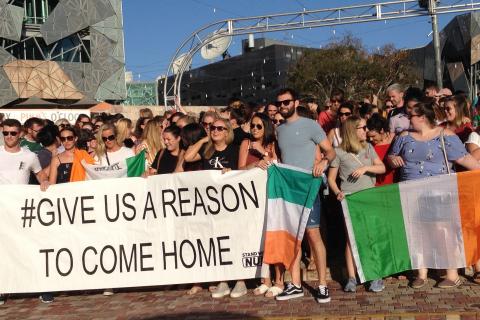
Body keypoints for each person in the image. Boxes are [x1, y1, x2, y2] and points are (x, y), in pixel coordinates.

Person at [388, 101, 480, 289]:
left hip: (441, 191)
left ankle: (451, 274)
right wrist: (392, 159)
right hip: (410, 191)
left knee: (444, 231)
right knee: (416, 231)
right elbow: (391, 157)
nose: (406, 119)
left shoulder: (445, 136)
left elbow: (466, 160)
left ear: (422, 117)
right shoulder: (403, 137)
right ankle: (421, 273)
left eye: (410, 115)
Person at [274, 88, 336, 304]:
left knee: (313, 235)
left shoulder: (311, 125)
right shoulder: (279, 130)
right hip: (289, 191)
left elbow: (331, 152)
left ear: (296, 102)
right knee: (293, 238)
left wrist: (322, 162)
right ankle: (296, 285)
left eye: (286, 102)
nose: (282, 106)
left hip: (309, 188)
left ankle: (322, 285)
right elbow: (280, 158)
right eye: (279, 103)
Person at [327, 116, 386, 293]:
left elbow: (381, 167)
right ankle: (352, 278)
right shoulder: (338, 152)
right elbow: (331, 179)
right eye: (362, 127)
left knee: (371, 237)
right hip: (350, 198)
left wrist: (365, 168)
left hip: (369, 196)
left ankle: (375, 275)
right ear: (352, 131)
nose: (365, 131)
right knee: (351, 239)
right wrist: (338, 192)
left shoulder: (368, 147)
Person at [0, 119, 48, 305]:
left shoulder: (29, 156)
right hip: (2, 210)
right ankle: (3, 289)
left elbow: (41, 176)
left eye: (13, 133)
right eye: (5, 133)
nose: (9, 137)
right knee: (3, 251)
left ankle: (40, 287)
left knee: (29, 247)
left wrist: (44, 182)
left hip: (22, 210)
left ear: (20, 134)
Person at [238, 112, 284, 298]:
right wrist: (255, 163)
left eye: (259, 126)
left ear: (266, 127)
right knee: (259, 238)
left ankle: (280, 281)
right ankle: (265, 280)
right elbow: (239, 169)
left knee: (275, 236)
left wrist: (269, 158)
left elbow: (280, 166)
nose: (255, 129)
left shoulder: (274, 145)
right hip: (252, 200)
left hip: (272, 196)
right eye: (252, 126)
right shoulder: (245, 144)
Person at [366, 114, 395, 186]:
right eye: (369, 137)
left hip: (392, 185)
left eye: (373, 136)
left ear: (382, 130)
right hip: (373, 186)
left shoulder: (394, 141)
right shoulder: (369, 145)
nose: (371, 139)